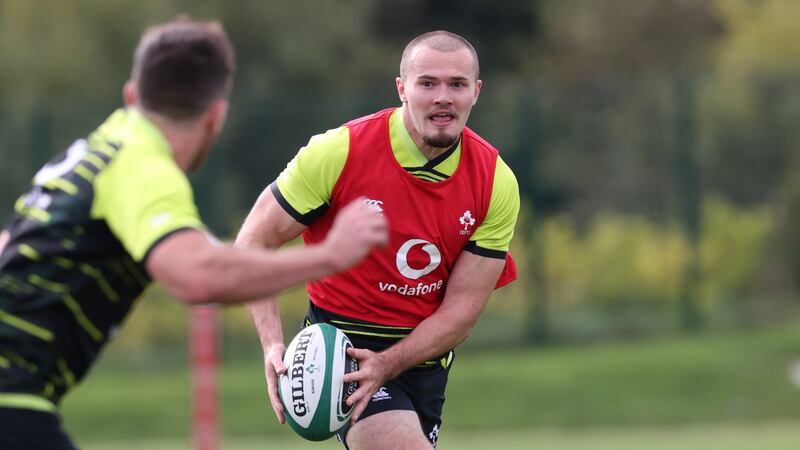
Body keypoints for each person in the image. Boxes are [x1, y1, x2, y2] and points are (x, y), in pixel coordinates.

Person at [0, 18, 387, 449]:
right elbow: (199, 277)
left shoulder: (100, 146)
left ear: (131, 95)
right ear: (216, 116)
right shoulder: (144, 168)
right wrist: (330, 255)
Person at [237, 30, 519, 449]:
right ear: (402, 89)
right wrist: (272, 344)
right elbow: (254, 243)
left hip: (424, 360)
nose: (443, 97)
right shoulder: (339, 152)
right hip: (342, 352)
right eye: (428, 83)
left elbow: (462, 310)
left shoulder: (495, 181)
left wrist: (389, 362)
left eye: (457, 85)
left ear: (475, 92)